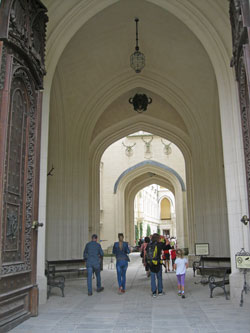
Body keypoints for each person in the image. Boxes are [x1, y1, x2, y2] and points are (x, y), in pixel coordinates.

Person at [146, 233, 164, 297]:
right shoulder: (159, 244)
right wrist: (163, 237)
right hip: (158, 263)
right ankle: (160, 291)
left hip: (151, 263)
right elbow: (167, 243)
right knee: (159, 277)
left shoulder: (149, 245)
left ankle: (154, 292)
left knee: (152, 278)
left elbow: (146, 253)